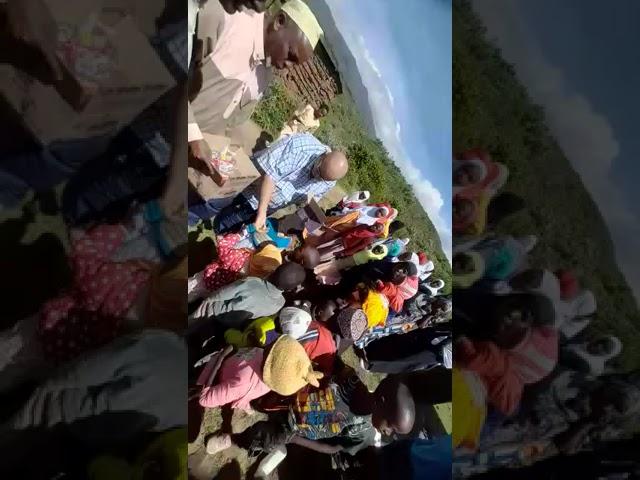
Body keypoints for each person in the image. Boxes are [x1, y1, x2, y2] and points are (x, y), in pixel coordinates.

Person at [188, 0, 324, 170]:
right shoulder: (228, 20)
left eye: (295, 64)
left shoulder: (265, 75)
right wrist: (193, 137)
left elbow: (232, 121)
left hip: (190, 158)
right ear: (279, 22)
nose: (288, 66)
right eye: (290, 55)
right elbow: (168, 71)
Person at [204, 371, 416, 457]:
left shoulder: (364, 430)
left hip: (293, 428)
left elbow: (332, 447)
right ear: (382, 402)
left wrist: (294, 439)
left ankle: (233, 439)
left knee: (266, 438)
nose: (387, 432)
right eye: (392, 426)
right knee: (266, 403)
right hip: (291, 398)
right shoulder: (350, 379)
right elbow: (323, 373)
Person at [202, 133, 348, 233]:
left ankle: (217, 229)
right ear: (322, 157)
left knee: (235, 221)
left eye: (322, 179)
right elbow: (270, 175)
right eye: (318, 172)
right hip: (251, 188)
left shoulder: (329, 181)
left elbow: (313, 199)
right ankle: (204, 219)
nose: (317, 178)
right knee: (219, 204)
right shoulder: (301, 146)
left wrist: (303, 215)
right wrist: (262, 213)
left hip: (265, 207)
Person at [455, 292, 559, 416]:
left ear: (512, 357)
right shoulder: (515, 382)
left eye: (513, 340)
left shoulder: (499, 362)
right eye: (521, 329)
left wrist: (461, 339)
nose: (507, 322)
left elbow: (473, 360)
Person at [198, 334, 323, 411]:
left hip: (215, 372)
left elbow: (204, 400)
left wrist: (220, 358)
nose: (272, 342)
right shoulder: (264, 359)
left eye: (274, 347)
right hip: (232, 364)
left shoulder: (242, 384)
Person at [189, 262, 306, 329]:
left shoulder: (252, 282)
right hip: (231, 324)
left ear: (273, 271)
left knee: (193, 321)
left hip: (214, 311)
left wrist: (209, 299)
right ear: (289, 289)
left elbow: (222, 293)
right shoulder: (279, 304)